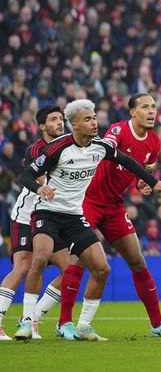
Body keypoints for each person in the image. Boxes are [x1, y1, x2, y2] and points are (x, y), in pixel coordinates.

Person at [14, 99, 161, 342]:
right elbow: (25, 175)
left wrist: (152, 182)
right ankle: (28, 321)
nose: (94, 123)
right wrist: (39, 189)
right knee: (40, 259)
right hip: (48, 212)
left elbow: (127, 162)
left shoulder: (99, 147)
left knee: (102, 268)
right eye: (88, 119)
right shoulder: (58, 148)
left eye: (95, 118)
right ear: (74, 124)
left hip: (76, 215)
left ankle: (84, 326)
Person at [57, 93, 161, 339]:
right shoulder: (117, 131)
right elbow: (107, 151)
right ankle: (64, 323)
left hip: (114, 206)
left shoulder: (154, 142)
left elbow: (142, 172)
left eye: (154, 107)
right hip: (88, 201)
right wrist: (151, 180)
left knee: (137, 261)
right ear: (132, 112)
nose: (152, 111)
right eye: (145, 107)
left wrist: (142, 184)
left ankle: (158, 324)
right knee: (80, 260)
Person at [0, 106, 69, 340]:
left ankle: (32, 318)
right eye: (53, 119)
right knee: (23, 268)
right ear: (42, 126)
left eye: (61, 119)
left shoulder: (71, 147)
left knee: (71, 269)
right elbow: (41, 178)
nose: (60, 122)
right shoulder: (36, 149)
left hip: (55, 216)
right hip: (27, 215)